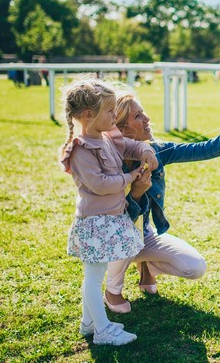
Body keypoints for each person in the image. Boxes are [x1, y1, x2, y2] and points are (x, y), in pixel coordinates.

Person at [103, 91, 220, 313]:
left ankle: (147, 266)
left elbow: (202, 149)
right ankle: (113, 292)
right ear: (122, 129)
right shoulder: (109, 160)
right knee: (128, 234)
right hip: (114, 238)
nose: (147, 118)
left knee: (195, 267)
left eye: (143, 112)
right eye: (138, 116)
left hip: (144, 234)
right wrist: (136, 194)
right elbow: (118, 218)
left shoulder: (156, 151)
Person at [59, 78, 158, 345]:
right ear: (89, 115)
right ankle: (102, 330)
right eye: (109, 111)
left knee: (94, 275)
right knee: (93, 278)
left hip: (109, 220)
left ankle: (88, 323)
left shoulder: (106, 138)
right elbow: (100, 185)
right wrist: (130, 178)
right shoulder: (81, 150)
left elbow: (131, 146)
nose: (114, 116)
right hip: (95, 223)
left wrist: (146, 151)